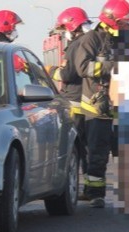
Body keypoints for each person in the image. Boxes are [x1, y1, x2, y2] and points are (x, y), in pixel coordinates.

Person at [73, 0, 129, 208]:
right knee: (97, 153)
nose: (128, 27)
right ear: (111, 21)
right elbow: (83, 68)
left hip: (123, 106)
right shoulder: (91, 39)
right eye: (125, 23)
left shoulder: (126, 40)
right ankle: (95, 193)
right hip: (97, 108)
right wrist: (114, 66)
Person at [51, 7, 93, 191]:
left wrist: (49, 71)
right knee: (87, 147)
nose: (64, 33)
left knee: (73, 147)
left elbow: (67, 74)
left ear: (72, 26)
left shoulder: (76, 45)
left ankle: (70, 186)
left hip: (74, 102)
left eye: (65, 29)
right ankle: (91, 186)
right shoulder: (91, 41)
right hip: (87, 101)